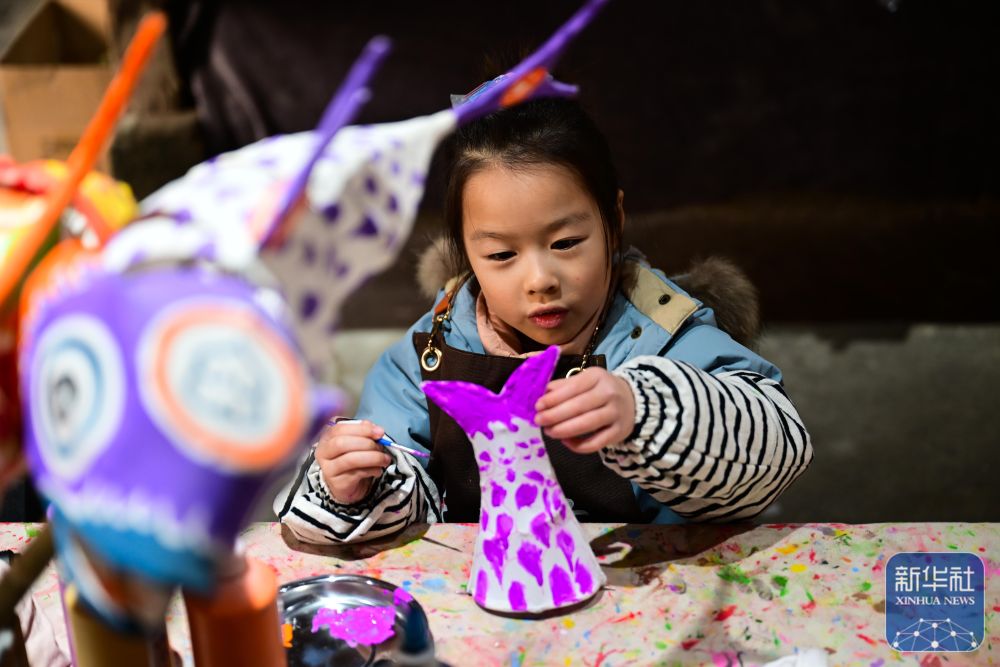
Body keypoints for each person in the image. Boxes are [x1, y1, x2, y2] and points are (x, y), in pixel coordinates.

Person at [276, 95, 813, 543]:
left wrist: (643, 411)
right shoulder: (434, 350)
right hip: (490, 600)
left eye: (566, 242)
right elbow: (409, 484)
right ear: (464, 251)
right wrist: (357, 483)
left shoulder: (662, 334)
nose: (540, 280)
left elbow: (779, 449)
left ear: (614, 220)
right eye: (501, 255)